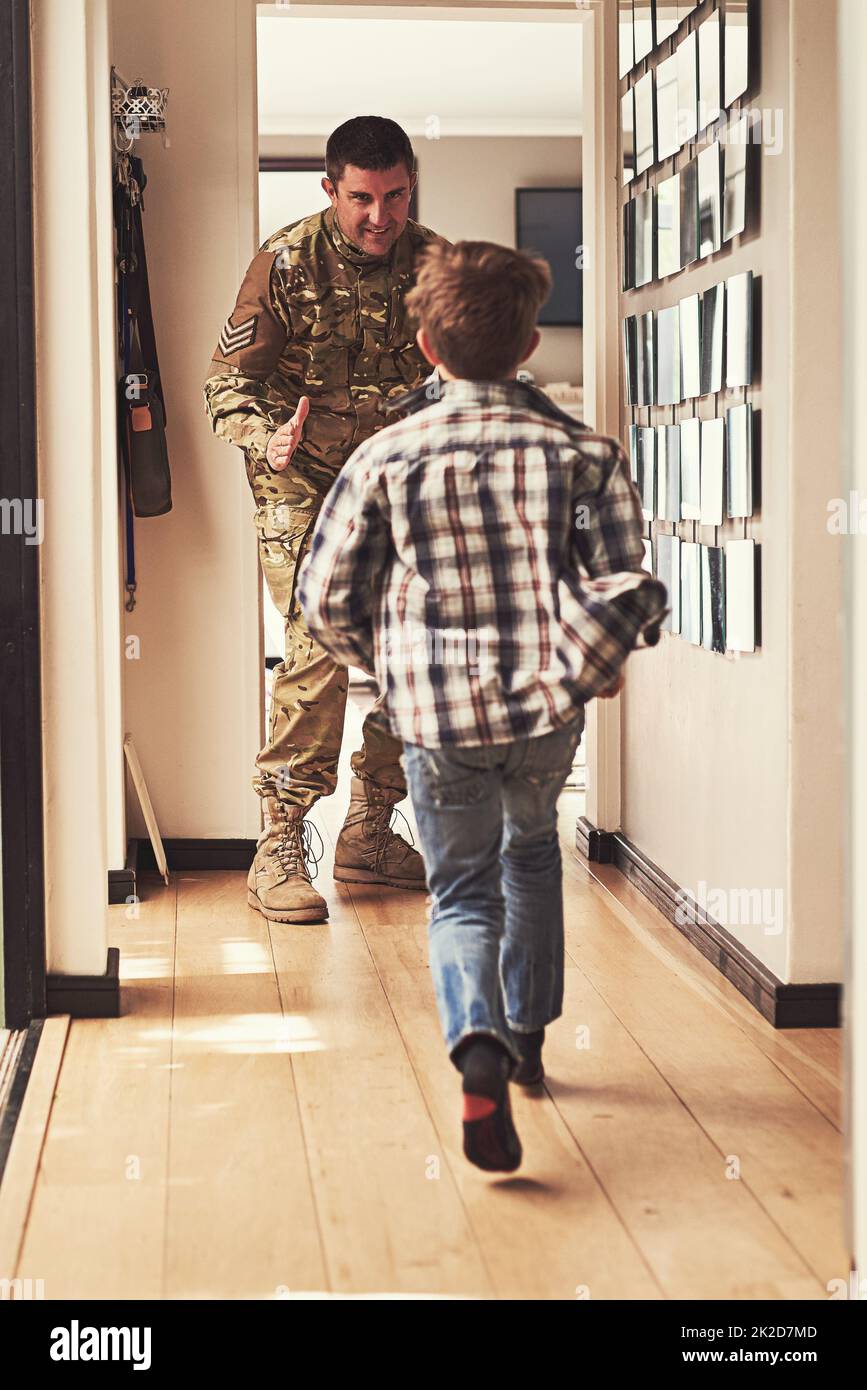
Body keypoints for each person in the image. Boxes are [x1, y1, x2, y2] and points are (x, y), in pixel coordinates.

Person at [295, 240, 668, 1173]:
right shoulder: (582, 452)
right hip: (544, 714)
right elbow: (627, 579)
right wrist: (589, 658)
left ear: (425, 345)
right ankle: (529, 1041)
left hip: (433, 716)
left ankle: (475, 1046)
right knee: (532, 854)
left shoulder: (387, 455)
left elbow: (324, 594)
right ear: (529, 340)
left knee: (461, 891)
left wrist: (384, 674)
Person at [203, 116, 449, 926]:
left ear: (411, 183)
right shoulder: (285, 262)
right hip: (299, 472)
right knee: (322, 634)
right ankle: (278, 839)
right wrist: (262, 433)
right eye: (361, 199)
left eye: (395, 196)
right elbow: (227, 388)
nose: (379, 216)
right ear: (329, 190)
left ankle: (372, 829)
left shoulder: (436, 263)